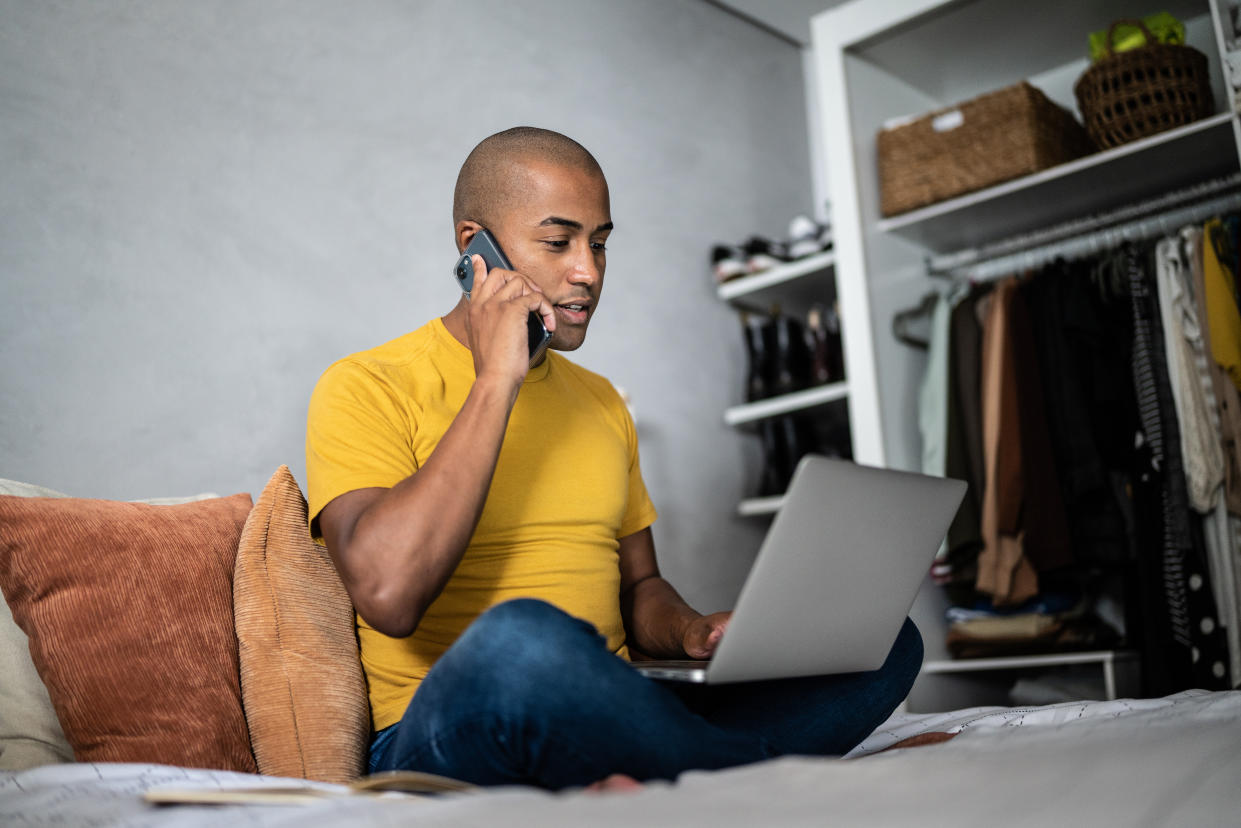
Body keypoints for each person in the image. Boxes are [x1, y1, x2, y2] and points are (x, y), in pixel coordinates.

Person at [305, 126, 922, 790]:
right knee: (523, 639)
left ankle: (688, 766)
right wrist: (495, 380)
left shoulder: (600, 403)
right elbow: (388, 594)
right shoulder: (368, 383)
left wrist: (689, 632)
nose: (588, 272)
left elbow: (638, 589)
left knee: (884, 640)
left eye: (598, 243)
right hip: (446, 728)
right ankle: (745, 776)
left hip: (613, 701)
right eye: (557, 242)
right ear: (472, 249)